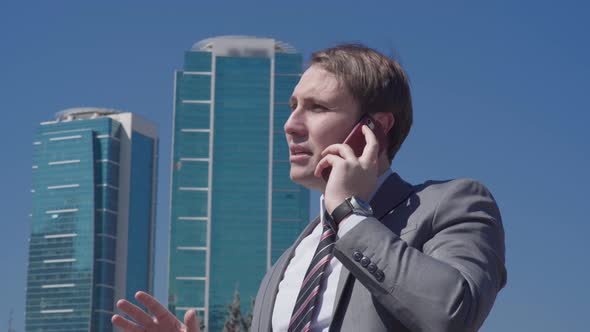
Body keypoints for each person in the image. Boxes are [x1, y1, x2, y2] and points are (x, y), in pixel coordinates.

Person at [112, 44, 506, 332]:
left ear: (375, 127)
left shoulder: (452, 204)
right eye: (292, 106)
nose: (291, 124)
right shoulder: (291, 259)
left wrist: (349, 212)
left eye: (316, 108)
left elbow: (453, 313)